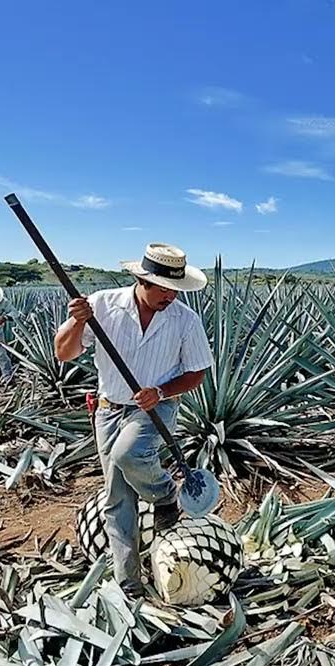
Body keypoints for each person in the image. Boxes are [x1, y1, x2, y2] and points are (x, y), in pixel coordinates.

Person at [54, 243, 213, 595]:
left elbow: (197, 373)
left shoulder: (185, 319)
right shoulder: (101, 305)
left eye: (176, 290)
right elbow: (63, 352)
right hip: (109, 408)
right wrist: (77, 323)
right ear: (142, 280)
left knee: (128, 454)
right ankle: (129, 582)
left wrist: (160, 392)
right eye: (164, 289)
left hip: (156, 406)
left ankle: (163, 494)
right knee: (117, 497)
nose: (170, 297)